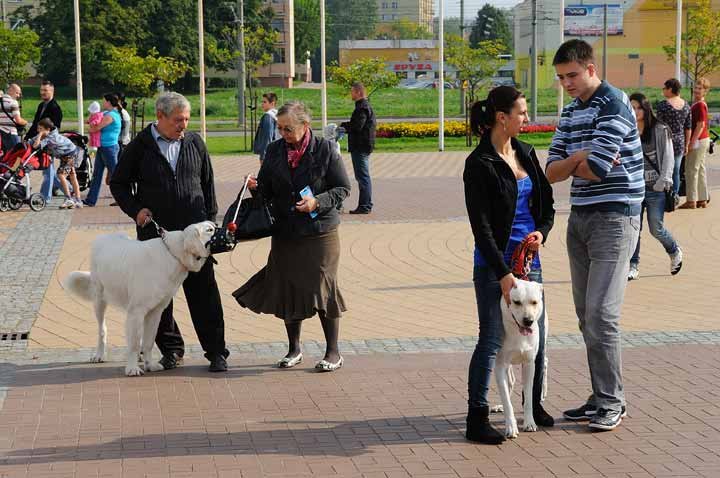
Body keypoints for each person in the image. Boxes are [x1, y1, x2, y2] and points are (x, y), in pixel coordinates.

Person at [545, 39, 643, 431]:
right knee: (587, 315)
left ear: (590, 67)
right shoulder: (571, 112)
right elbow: (550, 171)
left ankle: (612, 401)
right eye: (560, 78)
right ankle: (600, 394)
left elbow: (598, 169)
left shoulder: (614, 105)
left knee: (602, 315)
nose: (566, 83)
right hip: (580, 217)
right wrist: (577, 158)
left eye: (571, 75)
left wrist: (579, 160)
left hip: (615, 219)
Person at [110, 92, 229, 373]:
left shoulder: (194, 142)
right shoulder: (140, 146)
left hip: (195, 236)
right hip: (156, 238)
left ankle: (216, 352)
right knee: (158, 297)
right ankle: (171, 350)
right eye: (178, 119)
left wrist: (211, 224)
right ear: (160, 116)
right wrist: (136, 210)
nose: (183, 125)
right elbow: (119, 183)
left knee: (205, 294)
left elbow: (208, 184)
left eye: (187, 119)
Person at [463, 86, 555, 444]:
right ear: (501, 117)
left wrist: (542, 233)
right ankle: (477, 416)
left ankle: (532, 406)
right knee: (491, 339)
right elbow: (481, 228)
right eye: (521, 112)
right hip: (493, 265)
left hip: (530, 261)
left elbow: (546, 204)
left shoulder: (527, 153)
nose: (527, 118)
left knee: (537, 332)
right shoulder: (479, 164)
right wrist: (503, 274)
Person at [233, 101, 351, 372]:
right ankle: (294, 349)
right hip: (286, 230)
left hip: (320, 231)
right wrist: (255, 187)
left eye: (288, 129)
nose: (283, 134)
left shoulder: (325, 150)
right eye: (280, 128)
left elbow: (343, 188)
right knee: (288, 286)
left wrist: (317, 202)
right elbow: (267, 192)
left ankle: (333, 351)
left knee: (323, 287)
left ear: (305, 125)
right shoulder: (274, 150)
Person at [627, 93, 683, 281]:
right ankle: (633, 265)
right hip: (635, 189)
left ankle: (674, 250)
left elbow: (668, 157)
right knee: (634, 229)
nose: (635, 112)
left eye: (638, 108)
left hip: (655, 189)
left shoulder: (660, 129)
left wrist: (663, 182)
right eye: (632, 108)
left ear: (645, 108)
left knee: (655, 228)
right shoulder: (628, 130)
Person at [30, 118, 83, 209]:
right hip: (70, 154)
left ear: (48, 129)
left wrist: (39, 135)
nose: (38, 131)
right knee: (72, 176)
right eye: (38, 129)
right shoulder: (50, 134)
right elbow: (32, 141)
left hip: (71, 155)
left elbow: (35, 146)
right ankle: (78, 200)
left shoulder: (50, 138)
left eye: (40, 129)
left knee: (61, 175)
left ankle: (69, 199)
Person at [340, 82, 376, 214]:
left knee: (362, 177)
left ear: (359, 92)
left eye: (352, 91)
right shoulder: (363, 106)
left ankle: (365, 206)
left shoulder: (362, 107)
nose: (351, 94)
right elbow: (357, 124)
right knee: (363, 176)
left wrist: (343, 127)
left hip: (361, 146)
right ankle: (366, 204)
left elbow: (357, 126)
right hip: (362, 146)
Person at [26, 80, 63, 201]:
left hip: (48, 144)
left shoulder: (55, 108)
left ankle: (45, 198)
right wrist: (27, 139)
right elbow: (35, 124)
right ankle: (69, 188)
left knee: (48, 170)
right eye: (41, 90)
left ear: (52, 91)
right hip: (38, 142)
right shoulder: (41, 105)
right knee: (48, 170)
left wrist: (41, 139)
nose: (42, 92)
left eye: (45, 90)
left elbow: (54, 129)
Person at [84, 94, 122, 207]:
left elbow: (96, 127)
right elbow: (92, 119)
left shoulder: (111, 115)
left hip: (109, 148)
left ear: (109, 102)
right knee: (97, 174)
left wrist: (91, 126)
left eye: (104, 101)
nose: (102, 103)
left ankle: (123, 198)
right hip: (102, 147)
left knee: (115, 175)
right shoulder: (106, 113)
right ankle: (91, 200)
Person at [655, 78, 691, 197]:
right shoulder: (686, 106)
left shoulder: (663, 105)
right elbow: (688, 127)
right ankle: (674, 196)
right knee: (676, 171)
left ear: (670, 89)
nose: (663, 90)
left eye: (664, 88)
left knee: (663, 169)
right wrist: (687, 144)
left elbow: (658, 125)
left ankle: (662, 195)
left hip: (665, 141)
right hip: (680, 142)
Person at [680, 77, 711, 209]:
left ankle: (691, 200)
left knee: (691, 169)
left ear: (705, 91)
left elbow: (700, 125)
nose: (697, 91)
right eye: (696, 88)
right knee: (700, 169)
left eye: (700, 89)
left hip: (698, 140)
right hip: (703, 139)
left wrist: (691, 143)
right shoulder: (698, 104)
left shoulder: (699, 105)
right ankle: (702, 198)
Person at [0, 84, 27, 153]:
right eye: (17, 93)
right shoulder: (13, 103)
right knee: (17, 154)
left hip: (2, 132)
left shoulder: (0, 101)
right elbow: (18, 120)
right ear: (11, 91)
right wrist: (25, 122)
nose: (18, 95)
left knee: (6, 156)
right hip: (11, 132)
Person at [253, 92, 280, 162]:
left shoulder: (268, 116)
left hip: (269, 154)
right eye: (262, 102)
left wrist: (263, 156)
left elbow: (267, 137)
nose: (262, 104)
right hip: (277, 151)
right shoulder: (278, 115)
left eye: (265, 102)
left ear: (272, 103)